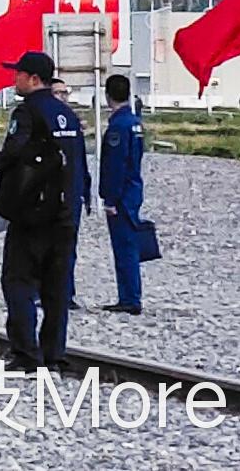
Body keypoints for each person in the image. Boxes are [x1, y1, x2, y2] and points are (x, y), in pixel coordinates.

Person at [0, 48, 88, 372]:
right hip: (66, 215)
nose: (13, 78)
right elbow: (80, 163)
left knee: (18, 281)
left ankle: (26, 354)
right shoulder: (68, 115)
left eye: (18, 73)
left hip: (33, 215)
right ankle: (54, 354)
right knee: (57, 288)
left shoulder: (27, 112)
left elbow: (14, 151)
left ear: (33, 79)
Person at [100, 72, 146, 315]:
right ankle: (130, 294)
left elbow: (115, 165)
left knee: (124, 247)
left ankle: (129, 298)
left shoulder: (118, 126)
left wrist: (110, 198)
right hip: (134, 190)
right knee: (129, 245)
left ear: (108, 96)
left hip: (122, 194)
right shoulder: (135, 122)